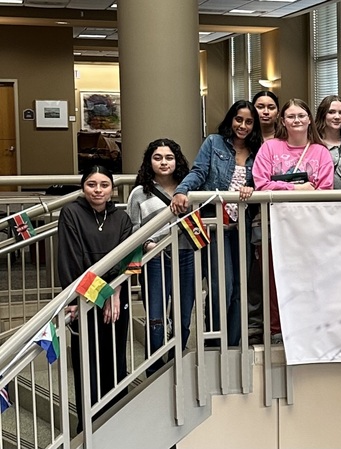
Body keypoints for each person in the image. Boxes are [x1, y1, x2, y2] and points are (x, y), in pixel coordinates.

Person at [171, 100, 260, 347]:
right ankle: (213, 344)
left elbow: (262, 180)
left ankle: (232, 346)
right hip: (215, 224)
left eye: (249, 122)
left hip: (242, 226)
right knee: (223, 287)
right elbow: (199, 172)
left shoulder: (258, 150)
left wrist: (252, 188)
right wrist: (182, 190)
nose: (243, 126)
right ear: (231, 119)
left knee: (241, 289)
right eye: (239, 119)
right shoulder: (214, 142)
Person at [253, 98, 334, 344]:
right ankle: (276, 331)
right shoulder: (269, 148)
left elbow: (325, 189)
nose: (296, 120)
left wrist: (281, 187)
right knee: (274, 281)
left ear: (309, 119)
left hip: (309, 229)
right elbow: (261, 184)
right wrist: (297, 189)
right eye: (291, 116)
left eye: (301, 115)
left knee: (309, 280)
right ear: (283, 121)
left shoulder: (321, 152)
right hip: (273, 226)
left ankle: (308, 328)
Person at [58, 166, 132, 430]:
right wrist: (102, 295)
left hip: (116, 300)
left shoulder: (122, 218)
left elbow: (125, 260)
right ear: (83, 187)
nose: (98, 190)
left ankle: (116, 424)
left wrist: (115, 292)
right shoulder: (71, 213)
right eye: (92, 184)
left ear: (112, 189)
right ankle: (88, 428)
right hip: (84, 300)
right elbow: (71, 260)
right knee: (87, 366)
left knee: (115, 360)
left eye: (104, 185)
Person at [127, 139, 196, 376]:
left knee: (183, 314)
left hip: (186, 254)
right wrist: (147, 244)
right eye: (157, 158)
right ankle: (154, 369)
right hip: (154, 257)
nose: (164, 162)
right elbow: (132, 228)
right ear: (149, 161)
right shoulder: (139, 192)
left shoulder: (189, 189)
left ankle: (178, 360)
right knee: (155, 317)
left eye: (169, 157)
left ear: (177, 161)